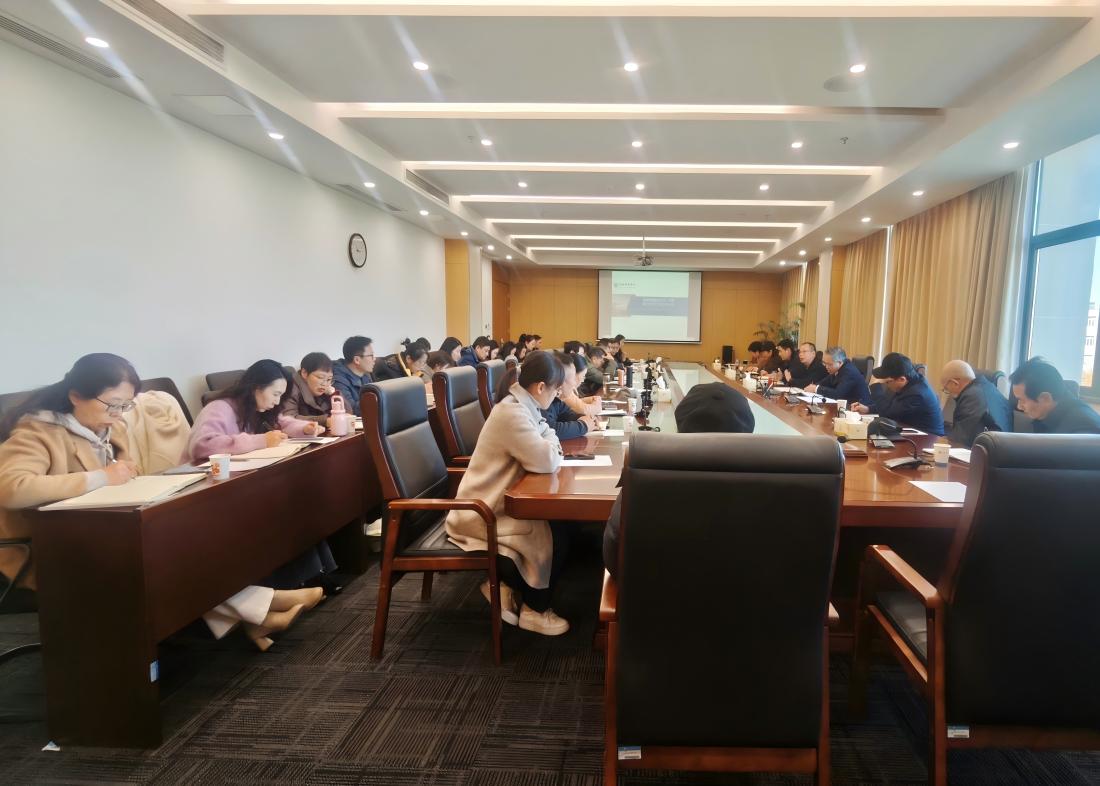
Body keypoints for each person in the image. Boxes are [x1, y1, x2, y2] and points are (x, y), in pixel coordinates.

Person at [184, 359, 330, 646]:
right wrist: (261, 440)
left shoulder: (259, 409)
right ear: (255, 388)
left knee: (288, 508)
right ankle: (267, 609)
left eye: (281, 396)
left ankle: (261, 618)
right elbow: (202, 446)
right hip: (206, 493)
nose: (276, 401)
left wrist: (306, 428)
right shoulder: (220, 408)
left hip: (240, 487)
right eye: (274, 394)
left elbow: (282, 423)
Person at [446, 350, 569, 636]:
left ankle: (508, 589)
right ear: (541, 387)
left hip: (495, 503)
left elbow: (547, 435)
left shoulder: (520, 405)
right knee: (556, 534)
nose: (557, 396)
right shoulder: (512, 413)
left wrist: (549, 439)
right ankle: (535, 611)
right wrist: (550, 441)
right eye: (556, 390)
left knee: (559, 526)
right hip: (482, 513)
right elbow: (546, 459)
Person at [0, 354, 140, 590]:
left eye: (126, 405)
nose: (118, 414)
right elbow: (12, 488)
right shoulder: (38, 431)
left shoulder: (111, 428)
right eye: (113, 404)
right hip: (45, 549)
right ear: (76, 396)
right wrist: (102, 477)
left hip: (100, 534)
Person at [603, 382, 755, 578]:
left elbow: (614, 548)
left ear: (680, 423)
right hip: (751, 593)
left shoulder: (645, 468)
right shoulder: (777, 475)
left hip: (651, 593)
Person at [851, 352, 945, 435]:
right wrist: (868, 409)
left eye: (887, 382)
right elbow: (893, 407)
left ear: (901, 379)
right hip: (909, 432)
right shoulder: (910, 382)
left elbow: (887, 414)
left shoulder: (917, 394)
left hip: (927, 440)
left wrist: (875, 387)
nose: (886, 385)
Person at [1009, 357, 1100, 434]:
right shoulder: (1048, 413)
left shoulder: (1083, 432)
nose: (1019, 406)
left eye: (1022, 400)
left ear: (1045, 398)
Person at [939, 360, 1013, 446]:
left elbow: (959, 442)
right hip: (1002, 448)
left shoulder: (970, 398)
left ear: (955, 383)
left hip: (989, 451)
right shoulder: (991, 388)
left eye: (946, 389)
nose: (949, 394)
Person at [540, 352, 598, 439]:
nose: (574, 384)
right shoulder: (543, 400)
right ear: (561, 380)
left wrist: (585, 419)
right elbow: (551, 429)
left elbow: (568, 414)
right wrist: (583, 426)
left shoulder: (556, 400)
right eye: (573, 378)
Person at [806, 346, 872, 405]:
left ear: (840, 363)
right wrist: (813, 386)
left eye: (829, 364)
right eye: (824, 363)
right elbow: (824, 382)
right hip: (846, 406)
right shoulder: (838, 368)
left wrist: (816, 388)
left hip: (859, 409)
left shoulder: (849, 372)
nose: (826, 367)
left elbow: (838, 394)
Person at [282, 352, 335, 425]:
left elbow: (347, 414)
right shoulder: (290, 388)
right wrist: (324, 420)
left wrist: (334, 394)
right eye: (320, 377)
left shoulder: (326, 389)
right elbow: (289, 419)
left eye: (329, 379)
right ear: (304, 373)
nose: (324, 384)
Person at [332, 336, 375, 416]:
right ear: (357, 360)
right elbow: (351, 410)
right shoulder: (338, 380)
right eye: (371, 356)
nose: (374, 359)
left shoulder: (365, 375)